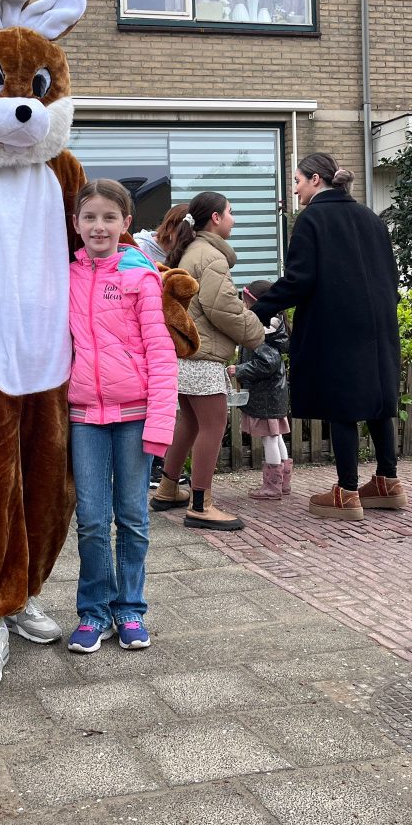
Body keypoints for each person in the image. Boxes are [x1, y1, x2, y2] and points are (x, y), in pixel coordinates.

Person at [249, 153, 407, 519]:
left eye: (297, 181)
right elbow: (391, 276)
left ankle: (346, 492)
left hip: (336, 325)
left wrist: (259, 310)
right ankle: (388, 482)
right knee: (378, 400)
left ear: (316, 179)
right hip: (379, 324)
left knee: (342, 404)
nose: (295, 190)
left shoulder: (312, 219)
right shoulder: (370, 217)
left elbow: (298, 280)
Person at [66, 180, 178, 653]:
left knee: (132, 516)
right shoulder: (64, 276)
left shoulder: (141, 276)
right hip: (84, 417)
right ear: (76, 223)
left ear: (126, 223)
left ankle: (130, 608)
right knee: (92, 520)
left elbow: (161, 352)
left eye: (109, 217)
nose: (99, 226)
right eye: (90, 217)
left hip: (135, 415)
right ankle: (93, 612)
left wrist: (160, 425)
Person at [150, 191, 265, 530]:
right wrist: (258, 332)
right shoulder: (210, 256)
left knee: (189, 422)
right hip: (203, 357)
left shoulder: (191, 251)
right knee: (214, 425)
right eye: (230, 212)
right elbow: (223, 308)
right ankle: (201, 504)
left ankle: (168, 489)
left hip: (186, 355)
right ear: (215, 218)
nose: (233, 219)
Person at [134, 204, 192, 491]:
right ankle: (150, 467)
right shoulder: (140, 248)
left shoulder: (180, 256)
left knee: (164, 404)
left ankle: (159, 465)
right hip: (139, 335)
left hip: (163, 336)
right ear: (170, 227)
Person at [228, 280, 292, 500]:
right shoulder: (275, 328)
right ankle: (283, 483)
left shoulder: (262, 330)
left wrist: (239, 370)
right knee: (277, 437)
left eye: (245, 302)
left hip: (266, 395)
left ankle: (272, 487)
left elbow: (267, 363)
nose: (243, 306)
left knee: (269, 438)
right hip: (274, 393)